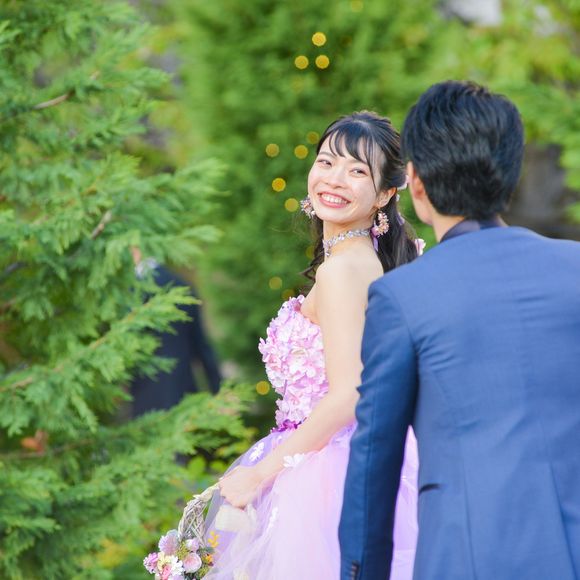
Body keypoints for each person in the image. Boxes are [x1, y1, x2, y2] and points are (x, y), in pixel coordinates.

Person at [339, 81, 580, 580]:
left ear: (416, 183)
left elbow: (373, 466)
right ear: (509, 175)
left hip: (471, 560)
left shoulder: (403, 296)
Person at [204, 112, 422, 579]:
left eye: (357, 170)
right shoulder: (356, 260)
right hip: (325, 455)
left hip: (323, 471)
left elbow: (349, 393)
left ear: (385, 194)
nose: (335, 179)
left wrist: (261, 474)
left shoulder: (343, 270)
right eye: (326, 162)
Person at [130, 249, 222, 417]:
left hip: (147, 398)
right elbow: (202, 346)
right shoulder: (181, 285)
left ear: (135, 251)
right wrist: (219, 390)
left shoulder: (131, 293)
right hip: (184, 392)